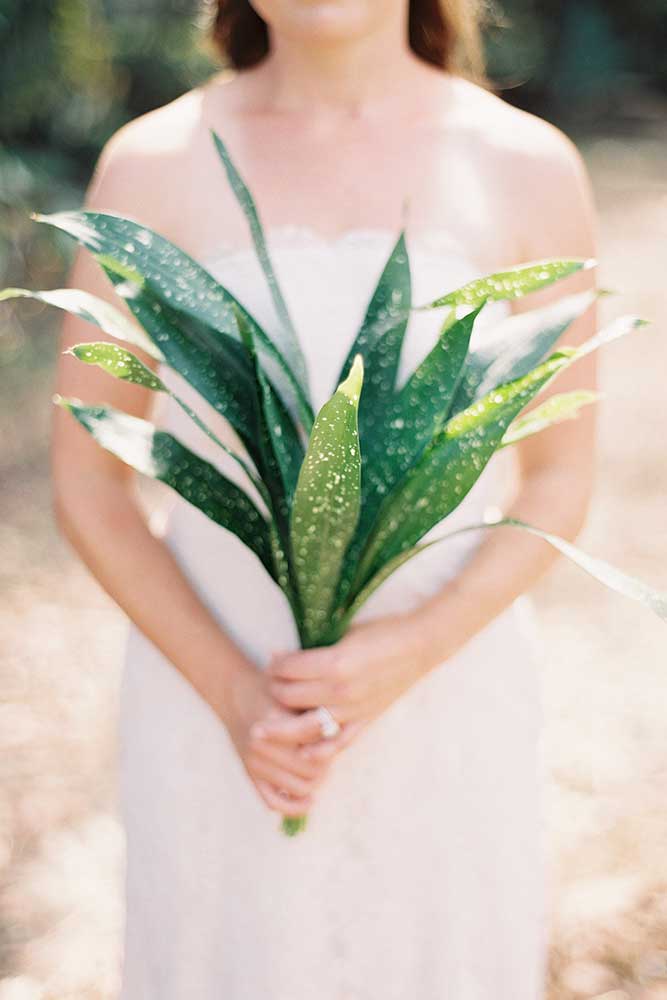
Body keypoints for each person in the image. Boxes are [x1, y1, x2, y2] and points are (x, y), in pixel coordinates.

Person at [51, 0, 598, 996]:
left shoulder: (527, 163)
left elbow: (561, 475)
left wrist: (414, 648)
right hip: (212, 682)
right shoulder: (153, 160)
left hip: (446, 690)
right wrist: (232, 692)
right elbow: (90, 475)